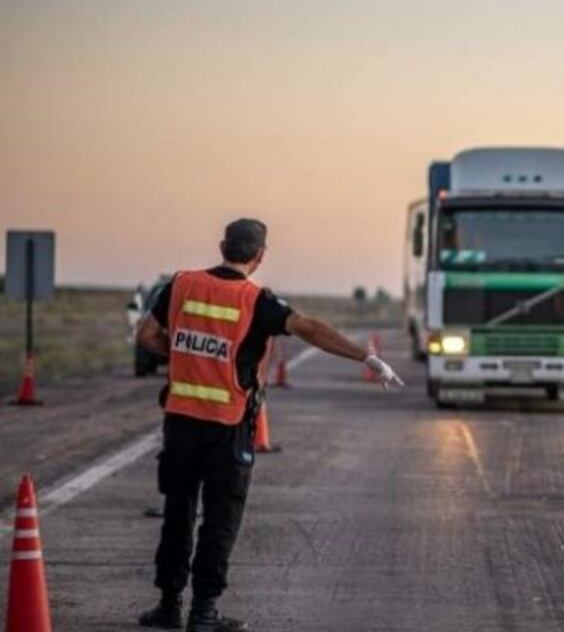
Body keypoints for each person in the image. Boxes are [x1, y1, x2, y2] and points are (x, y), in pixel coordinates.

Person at [135, 218, 403, 631]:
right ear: (259, 257)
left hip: (181, 421)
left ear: (223, 245)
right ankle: (203, 613)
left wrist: (185, 357)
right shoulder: (255, 300)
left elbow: (147, 334)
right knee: (220, 519)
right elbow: (309, 328)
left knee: (178, 511)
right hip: (227, 425)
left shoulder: (181, 285)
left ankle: (169, 605)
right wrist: (366, 358)